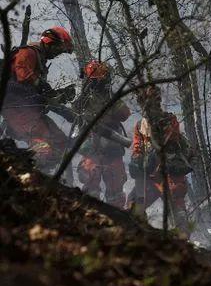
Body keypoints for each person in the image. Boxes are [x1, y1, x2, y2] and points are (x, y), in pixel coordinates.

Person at [4, 27, 74, 172]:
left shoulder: (39, 58)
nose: (57, 54)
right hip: (17, 109)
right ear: (49, 43)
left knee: (60, 141)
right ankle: (24, 177)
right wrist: (48, 93)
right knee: (43, 143)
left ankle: (42, 175)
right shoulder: (28, 53)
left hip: (31, 110)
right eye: (58, 50)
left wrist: (57, 95)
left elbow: (38, 88)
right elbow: (24, 79)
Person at [127, 86, 193, 232]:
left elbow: (169, 140)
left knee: (178, 213)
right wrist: (136, 161)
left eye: (151, 102)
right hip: (150, 177)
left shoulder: (169, 120)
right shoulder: (140, 125)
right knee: (133, 206)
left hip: (169, 174)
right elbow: (137, 148)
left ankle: (183, 246)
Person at [75, 60, 130, 208]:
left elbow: (125, 114)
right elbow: (76, 111)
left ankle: (116, 221)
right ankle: (90, 215)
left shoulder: (110, 97)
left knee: (115, 189)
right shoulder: (83, 99)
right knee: (90, 181)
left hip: (111, 149)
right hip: (93, 148)